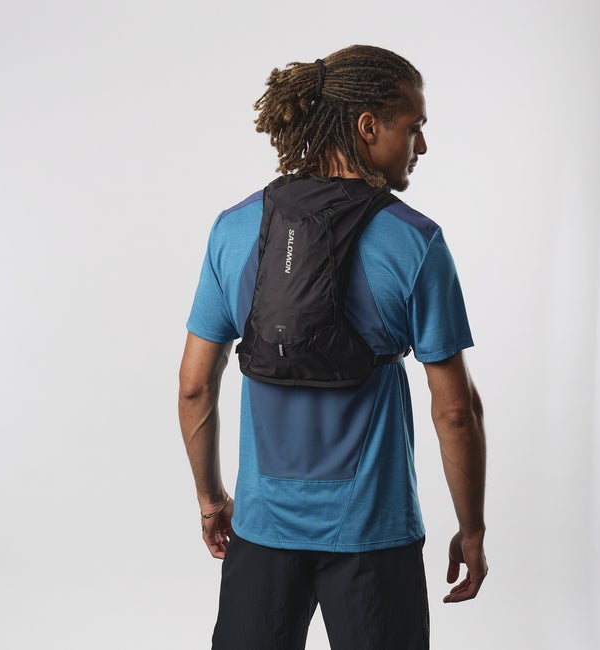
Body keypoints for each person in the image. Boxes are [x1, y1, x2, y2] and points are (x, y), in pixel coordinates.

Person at [179, 44, 487, 650]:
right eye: (414, 127)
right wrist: (471, 527)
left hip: (262, 532)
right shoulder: (414, 240)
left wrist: (212, 501)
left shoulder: (234, 229)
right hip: (375, 534)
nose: (422, 146)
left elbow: (194, 387)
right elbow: (455, 411)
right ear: (369, 126)